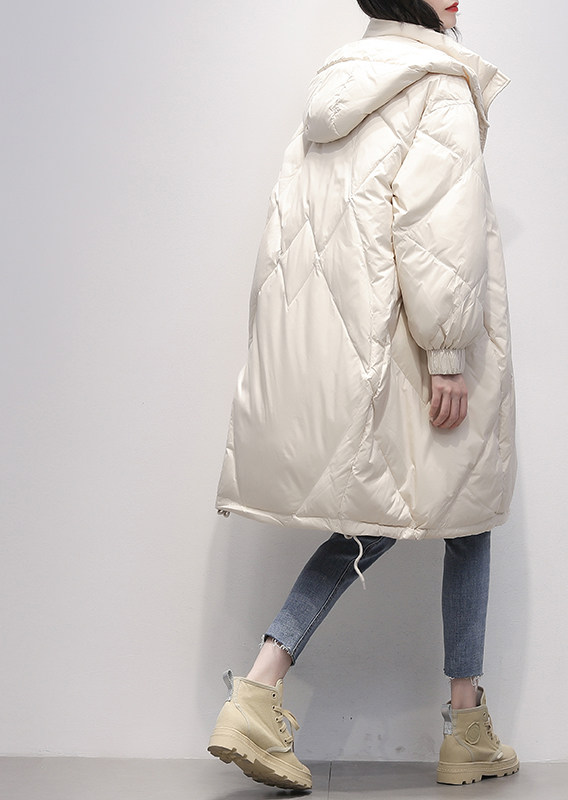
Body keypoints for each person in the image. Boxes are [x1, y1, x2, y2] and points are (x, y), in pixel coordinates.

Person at [207, 0, 518, 790]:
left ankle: (273, 692)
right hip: (415, 346)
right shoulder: (439, 84)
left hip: (354, 347)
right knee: (454, 513)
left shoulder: (338, 84)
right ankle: (452, 726)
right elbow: (437, 226)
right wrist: (446, 354)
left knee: (415, 518)